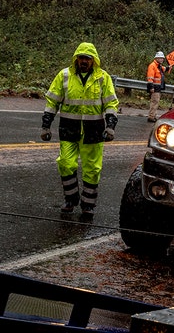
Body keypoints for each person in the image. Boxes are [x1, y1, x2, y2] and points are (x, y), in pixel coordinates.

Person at [40, 42, 119, 217]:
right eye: (81, 58)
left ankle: (88, 205)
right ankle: (71, 199)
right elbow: (52, 101)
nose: (84, 61)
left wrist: (111, 126)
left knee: (92, 169)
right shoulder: (64, 76)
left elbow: (111, 103)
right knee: (66, 164)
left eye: (88, 58)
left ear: (94, 61)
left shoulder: (102, 78)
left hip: (94, 131)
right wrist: (46, 125)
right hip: (69, 129)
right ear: (76, 58)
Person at [146, 51, 172, 122]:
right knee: (154, 102)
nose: (162, 60)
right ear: (156, 58)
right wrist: (151, 87)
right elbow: (150, 78)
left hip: (157, 87)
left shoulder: (158, 66)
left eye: (162, 58)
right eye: (160, 58)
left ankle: (153, 115)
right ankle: (151, 116)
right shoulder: (153, 66)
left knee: (156, 102)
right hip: (154, 87)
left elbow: (164, 69)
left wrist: (169, 67)